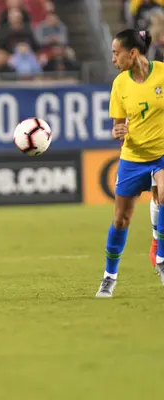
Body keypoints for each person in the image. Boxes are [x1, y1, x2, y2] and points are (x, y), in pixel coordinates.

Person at [96, 29, 164, 298]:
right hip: (133, 158)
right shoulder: (120, 85)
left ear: (132, 53)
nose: (113, 59)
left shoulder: (161, 73)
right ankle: (109, 277)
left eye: (116, 53)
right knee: (121, 219)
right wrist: (117, 133)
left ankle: (160, 258)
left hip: (161, 154)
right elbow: (117, 127)